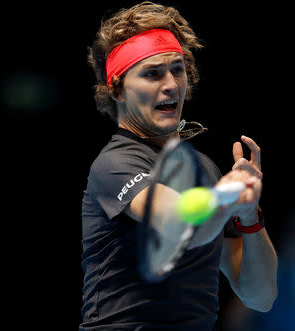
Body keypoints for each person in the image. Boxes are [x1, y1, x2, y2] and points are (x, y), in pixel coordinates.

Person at [80, 2, 278, 330]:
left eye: (177, 69)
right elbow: (182, 224)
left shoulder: (205, 170)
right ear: (117, 89)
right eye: (152, 73)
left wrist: (248, 214)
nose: (171, 84)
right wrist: (227, 195)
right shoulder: (115, 165)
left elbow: (261, 296)